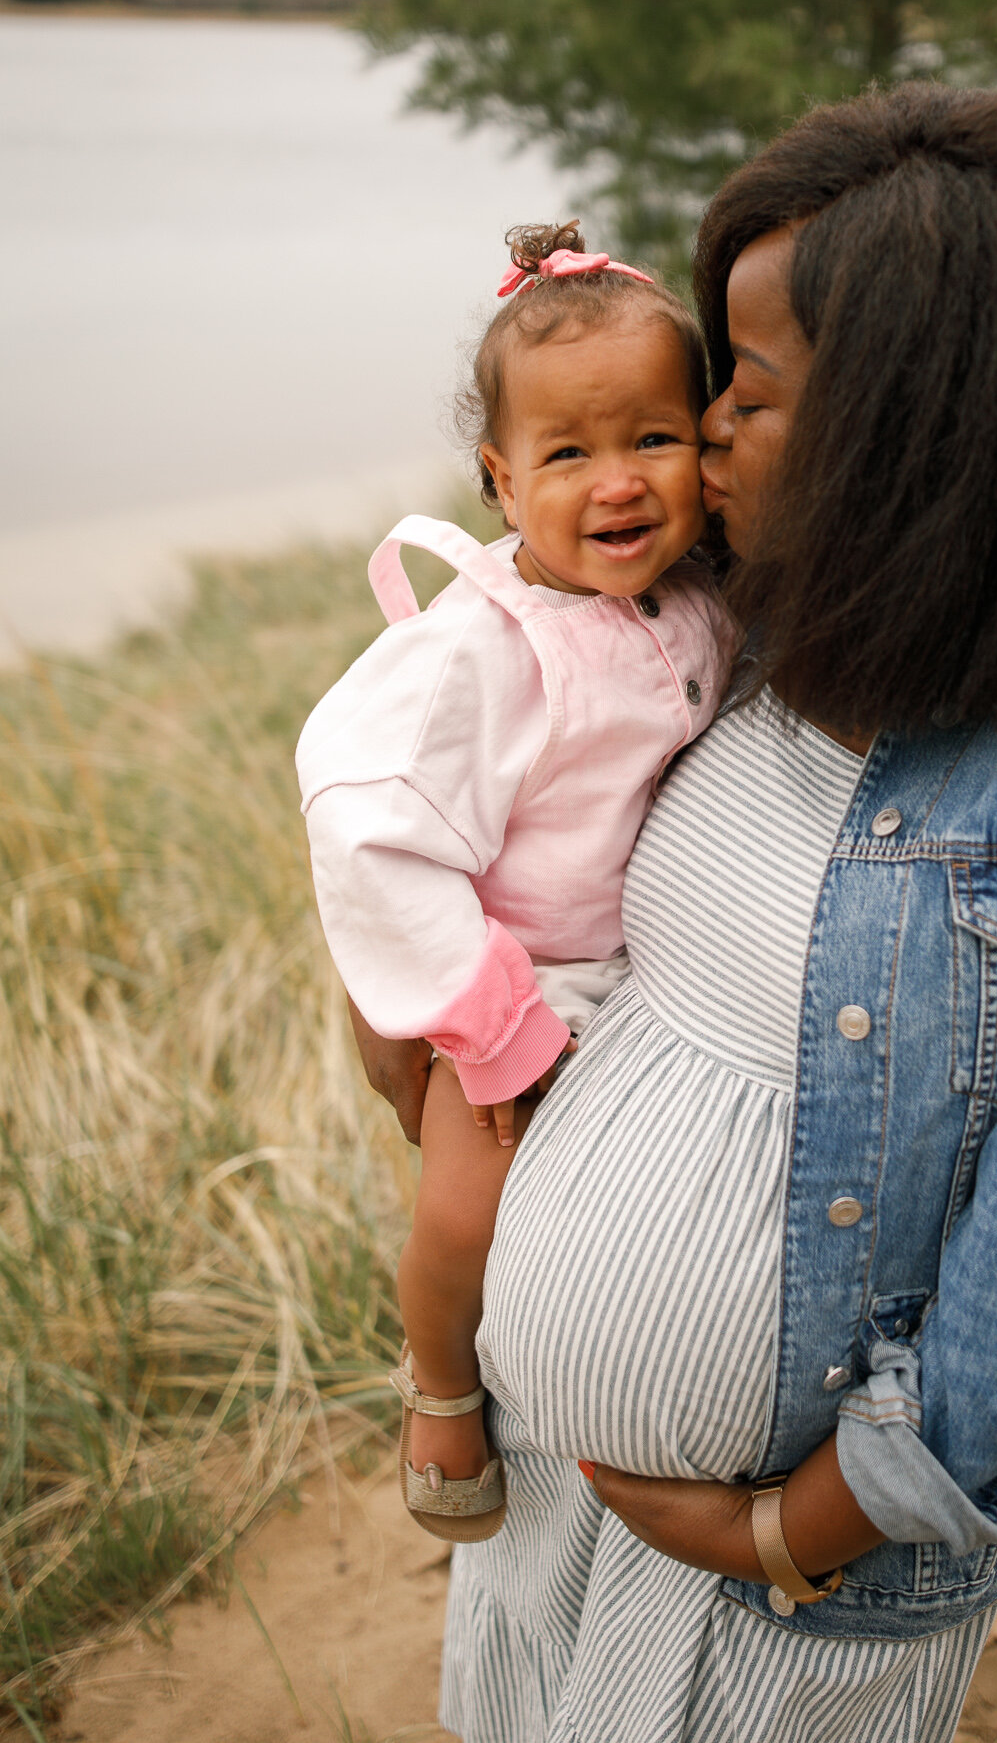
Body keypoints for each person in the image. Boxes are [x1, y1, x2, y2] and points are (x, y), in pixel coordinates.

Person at [348, 82, 997, 1743]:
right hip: (549, 1469)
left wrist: (797, 1526)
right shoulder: (747, 620)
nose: (702, 433)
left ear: (935, 426)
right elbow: (497, 845)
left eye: (752, 393)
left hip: (785, 1551)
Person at [297, 221, 734, 1540]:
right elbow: (368, 825)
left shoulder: (696, 592)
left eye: (653, 440)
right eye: (566, 455)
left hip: (649, 967)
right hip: (512, 975)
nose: (617, 485)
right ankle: (437, 1392)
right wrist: (487, 1028)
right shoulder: (481, 649)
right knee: (468, 1201)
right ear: (498, 481)